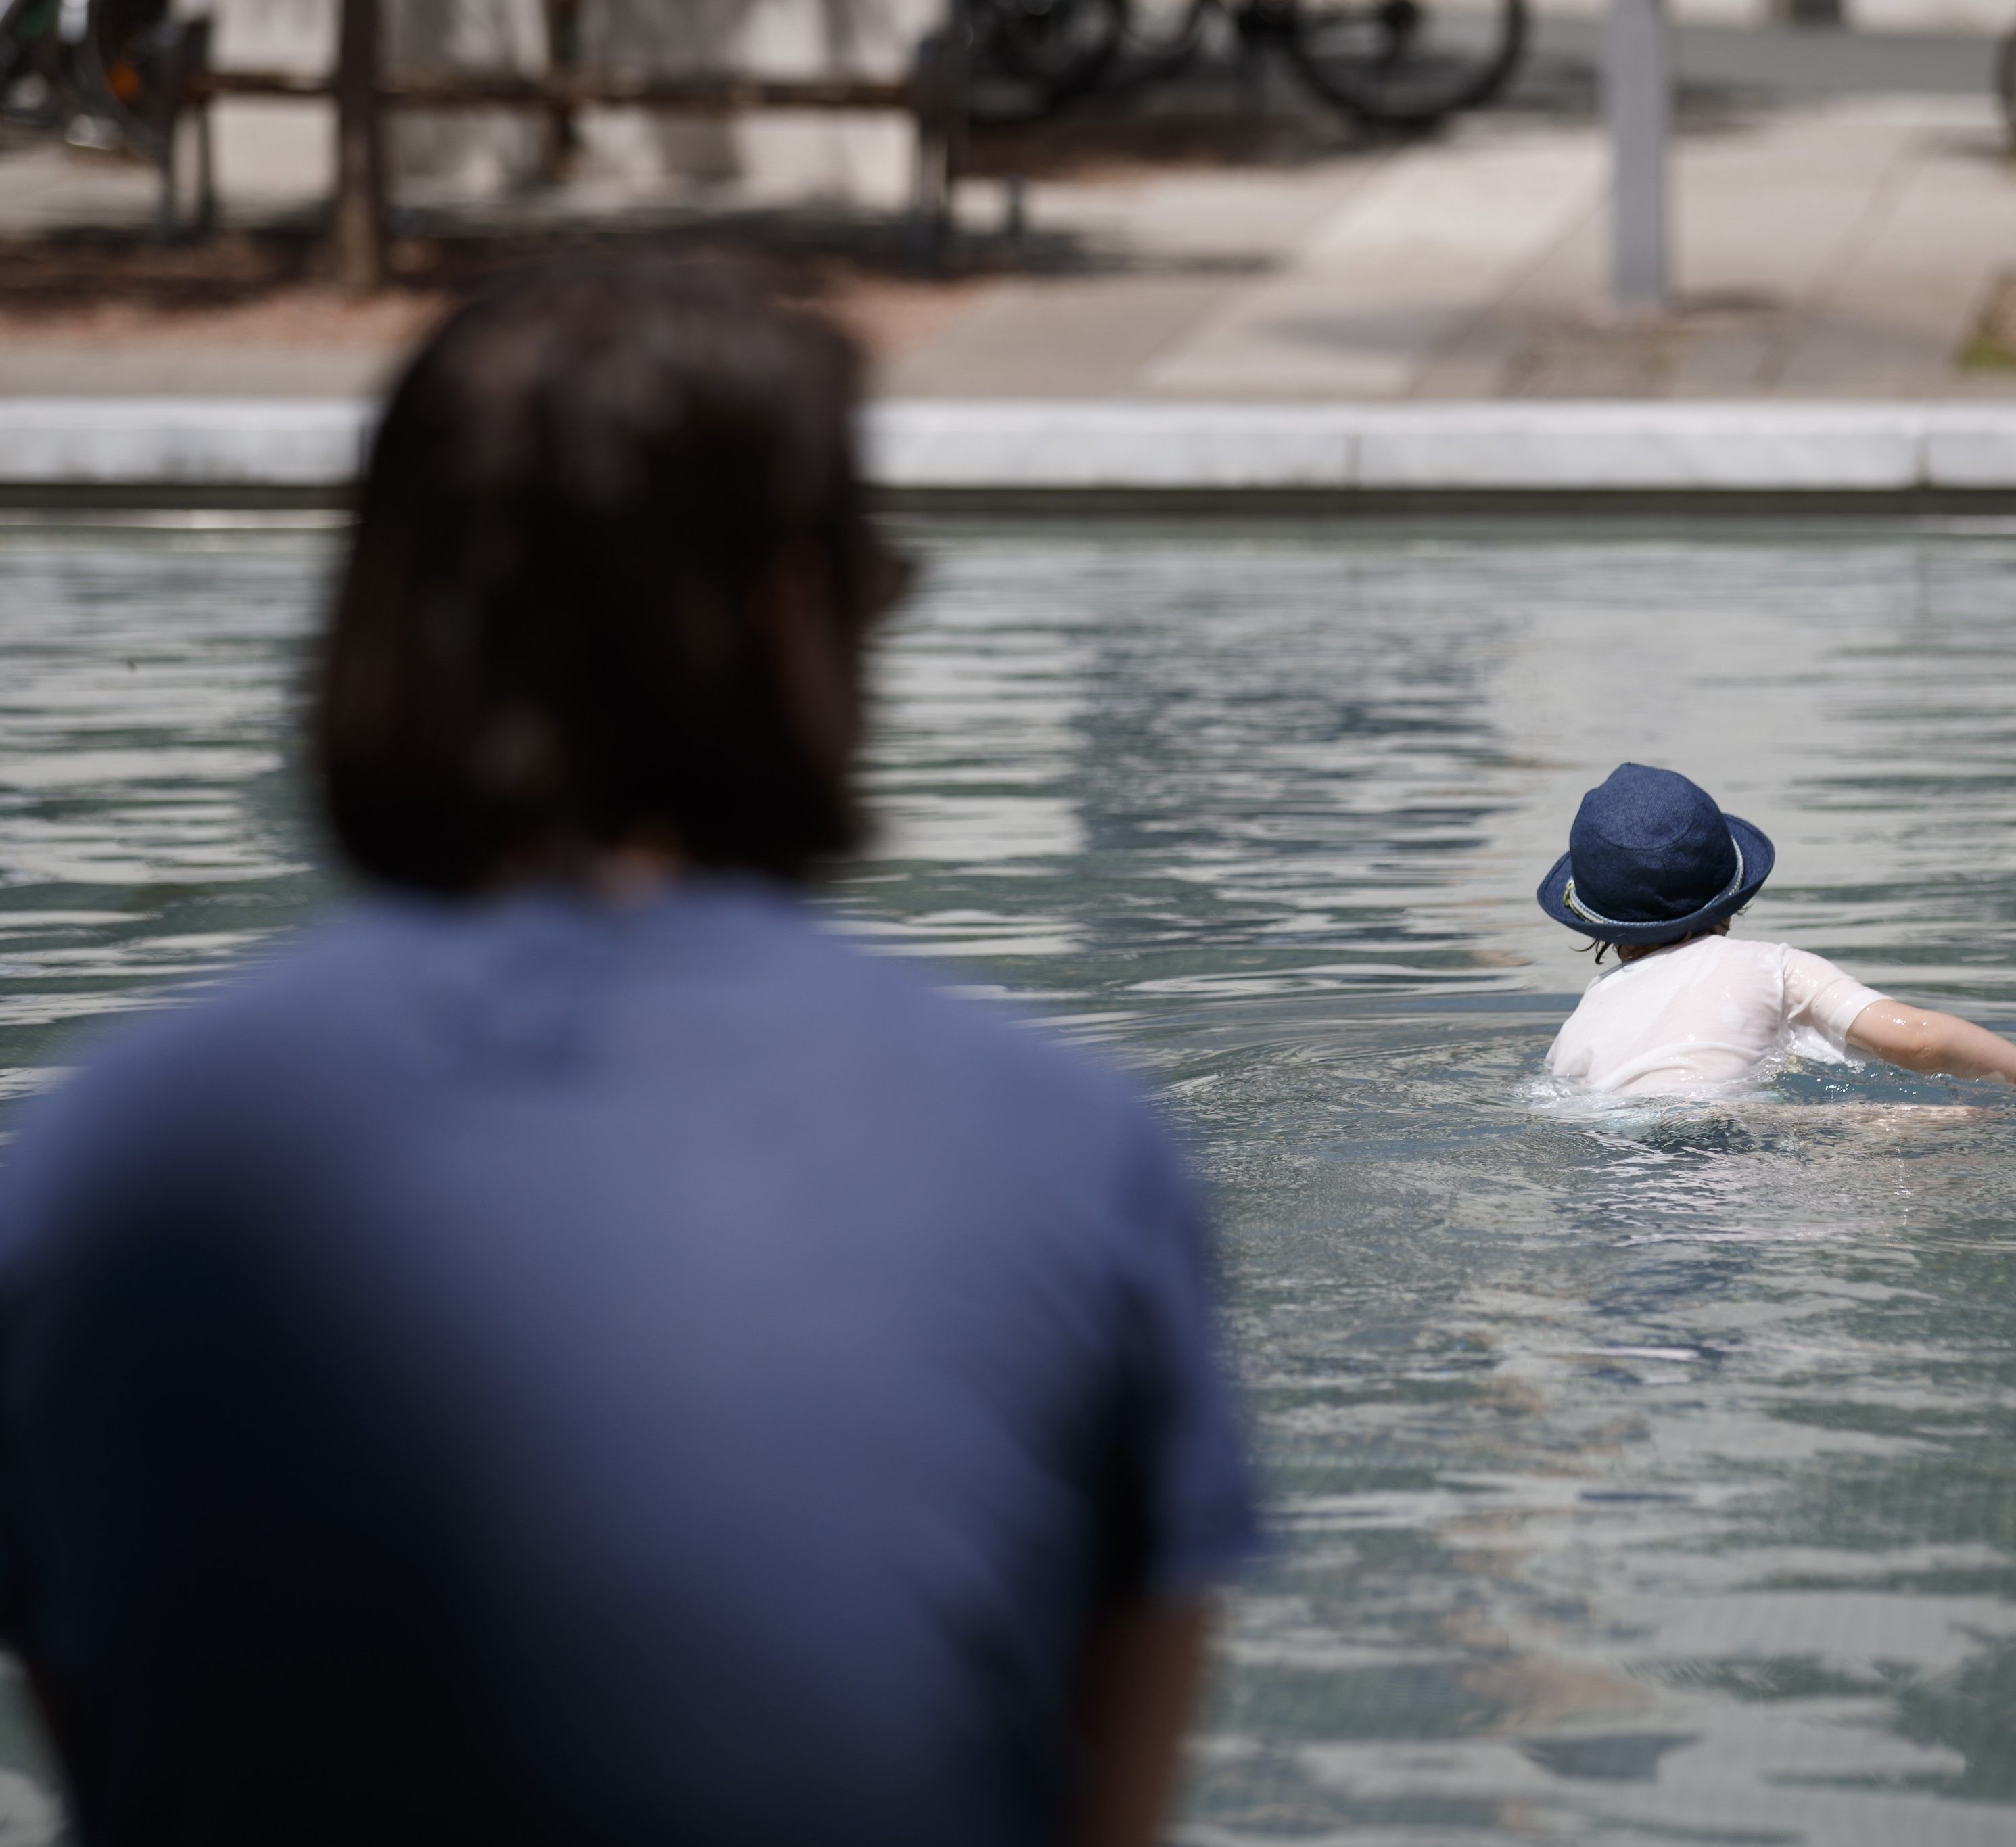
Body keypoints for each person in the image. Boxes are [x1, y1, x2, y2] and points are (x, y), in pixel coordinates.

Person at [0, 261, 1255, 1847]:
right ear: (788, 619)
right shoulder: (1069, 1155)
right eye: (871, 588)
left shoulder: (101, 1177)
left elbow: (136, 1757)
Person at [1538, 763, 2016, 1096]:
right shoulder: (1769, 966)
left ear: (1592, 916)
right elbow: (1921, 1039)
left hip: (1610, 1152)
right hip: (1724, 1141)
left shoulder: (1588, 1012)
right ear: (1732, 894)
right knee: (1939, 1121)